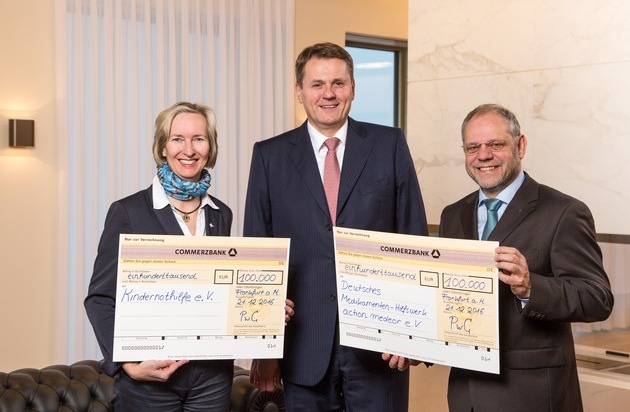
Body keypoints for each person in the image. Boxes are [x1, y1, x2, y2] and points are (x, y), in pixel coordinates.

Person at [243, 42, 428, 411]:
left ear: (353, 89)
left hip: (380, 345)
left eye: (338, 83)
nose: (328, 93)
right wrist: (263, 348)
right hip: (302, 347)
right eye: (317, 84)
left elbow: (414, 239)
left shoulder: (389, 145)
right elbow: (258, 255)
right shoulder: (269, 156)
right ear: (299, 91)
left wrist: (413, 333)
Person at [440, 103, 614, 412]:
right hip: (466, 393)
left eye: (495, 144)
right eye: (473, 147)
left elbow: (597, 298)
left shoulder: (564, 212)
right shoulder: (452, 215)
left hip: (533, 395)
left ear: (520, 146)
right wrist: (410, 342)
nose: (483, 155)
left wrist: (531, 287)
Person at [84, 101, 235, 411]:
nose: (188, 150)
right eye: (178, 139)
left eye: (199, 139)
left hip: (213, 377)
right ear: (163, 147)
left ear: (210, 147)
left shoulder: (221, 213)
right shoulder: (128, 212)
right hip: (150, 381)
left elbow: (220, 291)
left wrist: (263, 305)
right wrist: (128, 364)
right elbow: (99, 298)